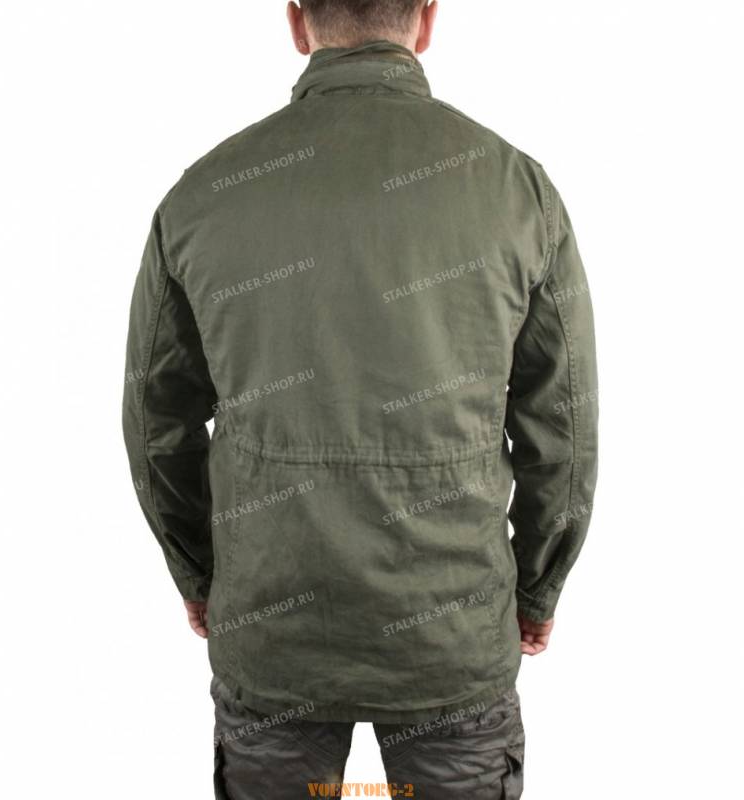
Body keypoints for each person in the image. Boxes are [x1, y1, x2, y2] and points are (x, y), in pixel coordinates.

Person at [121, 1, 598, 797]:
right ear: (428, 19)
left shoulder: (206, 193)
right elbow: (564, 430)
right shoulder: (516, 190)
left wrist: (202, 577)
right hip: (450, 637)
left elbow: (155, 424)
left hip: (274, 633)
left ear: (297, 21)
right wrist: (538, 587)